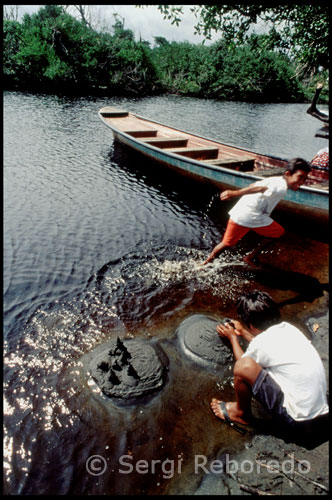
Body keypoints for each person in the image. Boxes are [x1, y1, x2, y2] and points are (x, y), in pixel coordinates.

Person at [210, 291, 329, 437]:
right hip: (322, 412)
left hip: (298, 423)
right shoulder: (290, 329)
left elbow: (244, 364)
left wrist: (233, 338)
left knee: (243, 367)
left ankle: (240, 413)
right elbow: (269, 347)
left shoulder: (261, 343)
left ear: (251, 325)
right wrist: (244, 332)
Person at [202, 158, 311, 265]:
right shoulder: (281, 187)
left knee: (226, 244)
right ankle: (249, 257)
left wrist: (237, 194)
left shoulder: (275, 179)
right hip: (251, 216)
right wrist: (234, 193)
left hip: (240, 213)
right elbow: (260, 188)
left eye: (305, 179)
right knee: (278, 233)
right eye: (300, 177)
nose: (302, 182)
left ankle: (205, 263)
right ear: (288, 174)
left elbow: (254, 185)